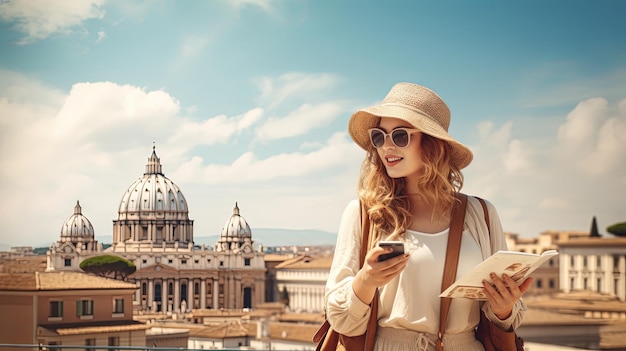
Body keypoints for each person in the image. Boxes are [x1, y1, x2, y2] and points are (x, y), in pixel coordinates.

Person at [324, 82, 534, 351]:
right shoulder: (363, 214)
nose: (386, 146)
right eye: (379, 136)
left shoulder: (481, 214)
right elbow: (340, 319)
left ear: (432, 144)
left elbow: (505, 319)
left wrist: (504, 308)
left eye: (400, 136)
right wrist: (366, 279)